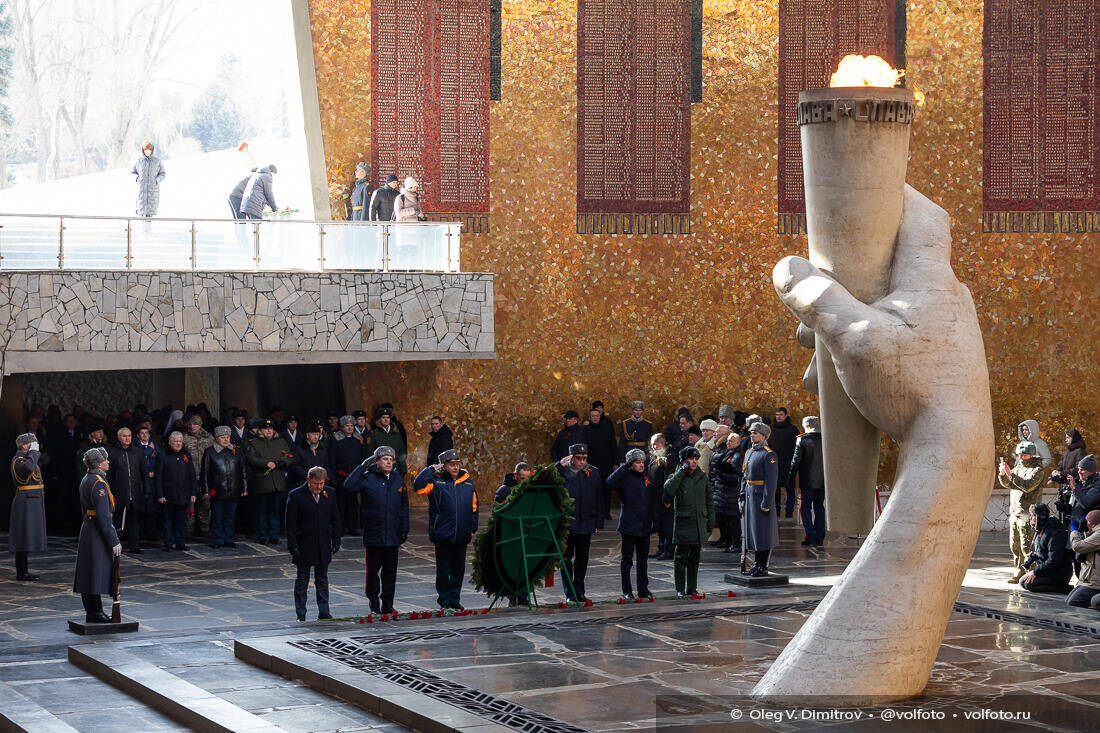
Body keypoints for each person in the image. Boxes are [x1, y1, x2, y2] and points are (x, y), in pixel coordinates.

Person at [346, 446, 409, 614]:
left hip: (393, 534)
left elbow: (404, 505)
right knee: (373, 572)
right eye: (384, 459)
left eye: (390, 459)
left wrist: (405, 528)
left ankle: (388, 603)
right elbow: (349, 486)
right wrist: (362, 467)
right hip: (374, 533)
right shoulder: (368, 478)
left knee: (390, 573)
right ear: (376, 462)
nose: (388, 462)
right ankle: (373, 603)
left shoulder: (397, 479)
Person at [414, 449, 479, 610]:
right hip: (443, 533)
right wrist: (431, 469)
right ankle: (444, 599)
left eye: (457, 464)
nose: (455, 468)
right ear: (444, 467)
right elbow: (418, 486)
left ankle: (455, 598)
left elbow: (474, 507)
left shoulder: (468, 482)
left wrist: (473, 528)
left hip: (462, 534)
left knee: (458, 569)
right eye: (451, 465)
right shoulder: (435, 482)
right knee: (444, 570)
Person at [285, 467, 341, 621]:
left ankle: (324, 612)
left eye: (321, 483)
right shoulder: (296, 496)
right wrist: (293, 545)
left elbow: (336, 519)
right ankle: (301, 613)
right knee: (302, 580)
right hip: (304, 545)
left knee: (322, 579)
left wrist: (336, 540)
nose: (318, 487)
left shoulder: (330, 493)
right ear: (308, 480)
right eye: (316, 484)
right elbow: (290, 524)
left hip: (323, 544)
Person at [607, 449, 659, 599]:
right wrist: (625, 466)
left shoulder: (647, 476)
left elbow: (654, 500)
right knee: (627, 560)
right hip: (629, 525)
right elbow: (609, 482)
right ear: (631, 463)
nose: (641, 465)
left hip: (644, 524)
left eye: (642, 462)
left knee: (643, 560)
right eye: (637, 462)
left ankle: (643, 589)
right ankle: (627, 590)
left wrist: (655, 520)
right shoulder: (624, 477)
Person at [664, 444, 714, 597]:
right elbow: (669, 490)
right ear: (683, 461)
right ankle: (680, 588)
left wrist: (711, 521)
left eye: (695, 459)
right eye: (690, 459)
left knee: (695, 557)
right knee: (680, 558)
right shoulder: (677, 476)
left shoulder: (702, 476)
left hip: (699, 521)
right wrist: (681, 471)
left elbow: (709, 500)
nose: (694, 462)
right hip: (684, 523)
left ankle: (692, 587)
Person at [555, 444, 603, 601]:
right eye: (578, 459)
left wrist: (598, 522)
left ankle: (579, 590)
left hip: (586, 522)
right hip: (569, 523)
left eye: (584, 458)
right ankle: (569, 592)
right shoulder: (562, 472)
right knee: (567, 559)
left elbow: (599, 498)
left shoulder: (593, 473)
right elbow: (546, 477)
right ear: (571, 458)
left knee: (582, 559)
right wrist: (558, 465)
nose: (582, 462)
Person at [997, 441, 1045, 582]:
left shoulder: (1037, 470)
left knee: (1027, 545)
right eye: (1020, 454)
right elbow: (1009, 484)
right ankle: (1018, 573)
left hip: (1027, 513)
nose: (1021, 457)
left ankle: (1030, 574)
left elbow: (1027, 486)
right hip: (1015, 512)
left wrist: (1010, 474)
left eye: (1024, 455)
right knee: (1015, 545)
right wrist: (1003, 475)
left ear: (1031, 454)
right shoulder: (1018, 467)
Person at [246, 419, 294, 545]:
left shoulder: (281, 441)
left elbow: (289, 456)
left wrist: (282, 462)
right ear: (261, 430)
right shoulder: (255, 443)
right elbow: (251, 458)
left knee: (275, 510)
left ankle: (274, 535)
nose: (268, 431)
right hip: (263, 481)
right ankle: (263, 535)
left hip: (278, 480)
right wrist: (265, 463)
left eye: (271, 429)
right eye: (266, 429)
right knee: (262, 510)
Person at [742, 421, 780, 577]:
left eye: (755, 433)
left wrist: (766, 501)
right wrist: (741, 495)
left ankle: (762, 565)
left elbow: (771, 482)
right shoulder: (749, 452)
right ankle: (757, 564)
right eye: (751, 433)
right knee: (754, 533)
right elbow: (744, 476)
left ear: (763, 436)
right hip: (750, 495)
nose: (752, 435)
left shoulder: (768, 454)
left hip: (760, 498)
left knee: (763, 533)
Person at [202, 426, 248, 548]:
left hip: (234, 490)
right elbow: (205, 473)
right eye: (223, 437)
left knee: (231, 516)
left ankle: (229, 538)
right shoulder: (210, 452)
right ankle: (217, 539)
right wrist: (205, 490)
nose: (226, 440)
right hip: (217, 490)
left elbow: (242, 471)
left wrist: (244, 488)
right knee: (217, 516)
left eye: (227, 437)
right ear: (217, 438)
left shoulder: (236, 451)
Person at [10, 433, 46, 581]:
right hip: (25, 501)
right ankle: (21, 571)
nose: (35, 446)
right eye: (32, 443)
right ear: (24, 445)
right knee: (22, 537)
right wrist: (34, 454)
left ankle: (24, 570)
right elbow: (28, 468)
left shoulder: (28, 458)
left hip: (32, 500)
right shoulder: (19, 460)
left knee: (25, 536)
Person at [108, 428, 147, 554]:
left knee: (134, 519)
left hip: (135, 492)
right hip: (119, 492)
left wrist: (146, 489)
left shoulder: (138, 452)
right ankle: (115, 545)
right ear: (119, 437)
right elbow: (110, 475)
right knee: (117, 519)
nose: (127, 438)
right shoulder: (113, 453)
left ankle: (135, 546)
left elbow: (144, 472)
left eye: (129, 436)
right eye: (124, 436)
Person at [1020, 502, 1072, 593]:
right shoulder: (1040, 529)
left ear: (1039, 517)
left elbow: (1055, 560)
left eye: (1033, 515)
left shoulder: (1055, 532)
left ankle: (1064, 589)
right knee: (1022, 582)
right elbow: (1042, 551)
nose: (1030, 518)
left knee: (1029, 584)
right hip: (1048, 570)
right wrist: (1032, 557)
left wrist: (1036, 572)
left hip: (1059, 572)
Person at [790, 416, 825, 547]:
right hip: (822, 480)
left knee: (805, 507)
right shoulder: (826, 438)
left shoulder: (802, 439)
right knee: (819, 507)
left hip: (807, 480)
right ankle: (820, 537)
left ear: (807, 426)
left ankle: (810, 535)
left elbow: (795, 461)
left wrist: (790, 478)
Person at [157, 432, 195, 551]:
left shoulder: (186, 455)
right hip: (168, 495)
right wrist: (160, 494)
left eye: (180, 441)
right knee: (167, 521)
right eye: (175, 441)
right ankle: (168, 543)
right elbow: (158, 477)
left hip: (183, 495)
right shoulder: (163, 455)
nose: (178, 443)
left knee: (181, 520)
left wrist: (193, 493)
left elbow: (192, 476)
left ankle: (180, 543)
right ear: (170, 443)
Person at [331, 415, 367, 535]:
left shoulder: (358, 439)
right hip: (341, 475)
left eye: (352, 426)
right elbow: (332, 459)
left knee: (353, 503)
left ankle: (352, 527)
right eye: (347, 426)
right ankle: (340, 528)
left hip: (354, 475)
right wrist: (334, 475)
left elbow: (362, 457)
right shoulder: (336, 439)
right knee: (341, 503)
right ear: (342, 427)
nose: (350, 428)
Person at [710, 431, 744, 553]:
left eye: (731, 441)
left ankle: (735, 543)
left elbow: (736, 475)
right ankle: (725, 539)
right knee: (722, 518)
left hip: (731, 492)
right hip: (722, 491)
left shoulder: (738, 455)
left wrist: (719, 472)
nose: (728, 443)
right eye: (727, 440)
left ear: (737, 443)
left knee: (733, 519)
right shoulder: (728, 452)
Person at [181, 415, 214, 538]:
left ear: (200, 425)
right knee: (190, 505)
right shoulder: (184, 438)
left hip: (205, 477)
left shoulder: (209, 438)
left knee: (205, 504)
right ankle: (189, 530)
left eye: (195, 424)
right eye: (190, 424)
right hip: (190, 477)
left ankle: (204, 528)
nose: (192, 426)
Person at [583, 404, 617, 520]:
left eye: (597, 416)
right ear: (589, 417)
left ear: (600, 416)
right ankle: (593, 512)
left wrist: (615, 462)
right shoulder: (585, 431)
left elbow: (613, 446)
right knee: (591, 490)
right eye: (593, 416)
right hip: (590, 465)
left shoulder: (607, 429)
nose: (595, 418)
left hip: (606, 465)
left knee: (606, 490)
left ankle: (606, 512)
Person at [769, 407, 799, 518]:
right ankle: (776, 510)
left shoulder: (793, 429)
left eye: (781, 414)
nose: (778, 417)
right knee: (775, 488)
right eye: (777, 415)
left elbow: (797, 447)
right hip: (775, 463)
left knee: (790, 488)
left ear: (786, 415)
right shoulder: (771, 429)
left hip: (789, 463)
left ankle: (789, 510)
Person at [648, 433, 675, 560]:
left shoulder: (669, 458)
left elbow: (669, 480)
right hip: (655, 498)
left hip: (664, 497)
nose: (653, 446)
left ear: (663, 443)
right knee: (658, 524)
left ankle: (669, 549)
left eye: (656, 443)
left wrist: (667, 498)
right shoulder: (655, 457)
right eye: (652, 444)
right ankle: (661, 547)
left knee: (667, 525)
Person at [1067, 509, 1100, 610]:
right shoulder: (1094, 532)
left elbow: (1078, 546)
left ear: (1091, 523)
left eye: (1086, 522)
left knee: (1074, 601)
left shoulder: (1099, 534)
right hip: (1089, 580)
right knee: (1069, 600)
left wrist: (1075, 531)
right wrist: (1083, 530)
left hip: (1095, 583)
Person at [132, 141, 166, 218]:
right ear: (143, 151)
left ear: (152, 151)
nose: (147, 152)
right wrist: (137, 178)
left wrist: (157, 180)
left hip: (152, 191)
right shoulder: (139, 161)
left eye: (149, 150)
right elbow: (133, 172)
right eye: (145, 151)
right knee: (141, 214)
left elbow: (163, 173)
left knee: (150, 216)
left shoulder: (157, 161)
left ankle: (149, 229)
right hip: (141, 191)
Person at [290, 422, 330, 487]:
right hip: (304, 483)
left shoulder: (322, 448)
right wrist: (309, 477)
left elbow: (326, 465)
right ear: (307, 435)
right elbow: (295, 466)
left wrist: (324, 477)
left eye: (317, 434)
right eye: (313, 434)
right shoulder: (299, 448)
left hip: (321, 483)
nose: (316, 437)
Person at [370, 407, 406, 475]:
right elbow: (371, 454)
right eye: (383, 417)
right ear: (379, 419)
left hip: (396, 468)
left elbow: (402, 452)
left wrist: (403, 469)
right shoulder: (374, 434)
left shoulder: (396, 434)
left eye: (388, 417)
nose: (386, 420)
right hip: (380, 470)